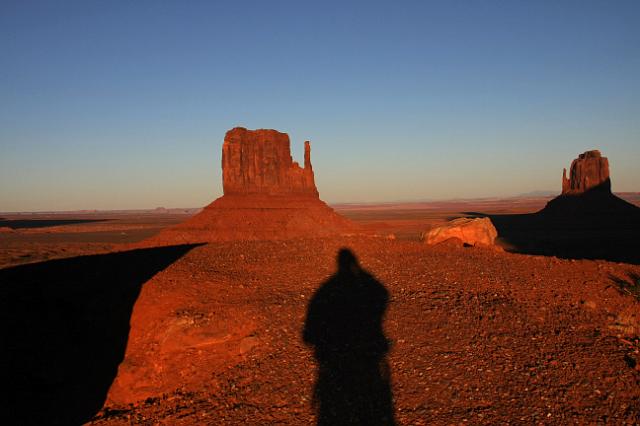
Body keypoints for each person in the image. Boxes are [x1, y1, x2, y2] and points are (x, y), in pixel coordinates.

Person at [303, 248, 395, 426]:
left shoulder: (325, 291)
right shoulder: (368, 285)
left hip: (336, 363)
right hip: (367, 359)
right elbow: (382, 293)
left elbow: (308, 335)